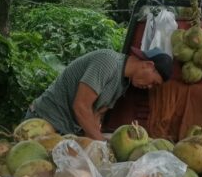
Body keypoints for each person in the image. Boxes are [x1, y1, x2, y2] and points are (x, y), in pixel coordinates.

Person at [25, 47, 173, 140]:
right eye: (153, 82)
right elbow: (81, 106)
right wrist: (100, 142)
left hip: (64, 132)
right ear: (148, 65)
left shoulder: (123, 83)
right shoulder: (108, 62)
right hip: (43, 121)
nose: (149, 87)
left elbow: (97, 115)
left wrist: (99, 141)